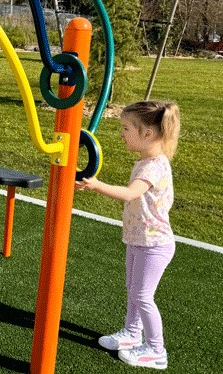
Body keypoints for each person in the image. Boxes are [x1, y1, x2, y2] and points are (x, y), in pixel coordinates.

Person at [76, 100, 180, 370]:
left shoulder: (152, 167)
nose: (122, 134)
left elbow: (131, 193)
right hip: (139, 240)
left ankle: (157, 350)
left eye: (126, 129)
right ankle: (133, 334)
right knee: (134, 292)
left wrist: (96, 185)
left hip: (154, 245)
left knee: (143, 296)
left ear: (147, 134)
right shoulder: (147, 160)